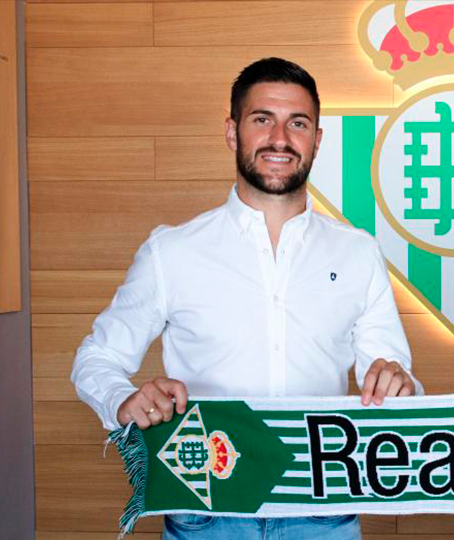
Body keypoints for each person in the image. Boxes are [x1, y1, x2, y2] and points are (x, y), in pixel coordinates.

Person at [72, 57, 422, 540]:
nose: (280, 138)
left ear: (317, 140)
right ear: (233, 132)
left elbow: (396, 384)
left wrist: (400, 385)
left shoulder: (359, 252)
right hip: (204, 514)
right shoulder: (171, 251)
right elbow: (96, 358)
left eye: (297, 123)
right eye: (263, 120)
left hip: (324, 514)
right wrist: (123, 400)